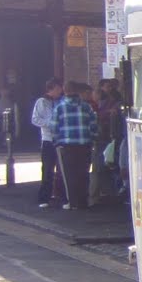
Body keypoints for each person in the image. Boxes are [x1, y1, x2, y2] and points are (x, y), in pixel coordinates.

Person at [52, 80, 98, 211]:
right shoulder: (86, 106)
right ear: (77, 91)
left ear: (65, 91)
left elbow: (54, 127)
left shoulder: (59, 107)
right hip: (85, 144)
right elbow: (94, 125)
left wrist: (56, 141)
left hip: (67, 145)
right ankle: (83, 201)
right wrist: (93, 138)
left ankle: (73, 202)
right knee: (83, 173)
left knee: (69, 174)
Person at [30, 77, 63, 209]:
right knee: (48, 169)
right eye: (58, 88)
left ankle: (60, 195)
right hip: (48, 139)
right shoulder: (42, 102)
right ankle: (44, 197)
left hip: (61, 139)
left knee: (61, 170)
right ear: (52, 88)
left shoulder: (62, 102)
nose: (60, 90)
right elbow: (35, 119)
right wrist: (49, 124)